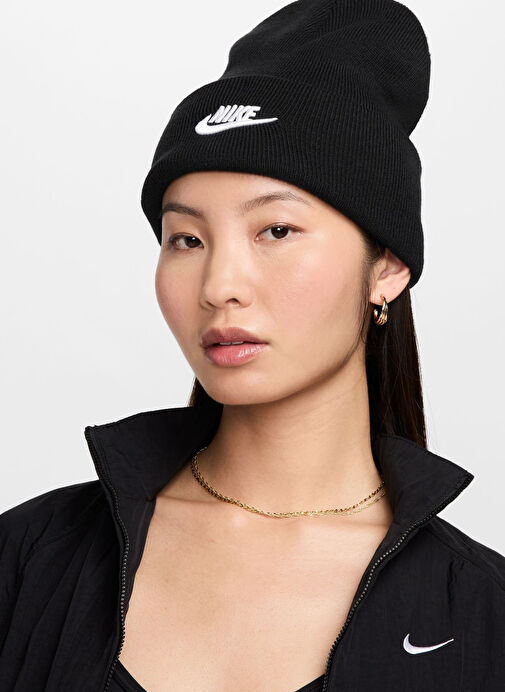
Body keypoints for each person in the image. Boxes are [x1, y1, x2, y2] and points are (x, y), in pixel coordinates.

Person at [1, 1, 505, 691]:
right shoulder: (29, 559)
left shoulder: (480, 614)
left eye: (276, 231)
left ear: (386, 266)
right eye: (187, 239)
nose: (219, 286)